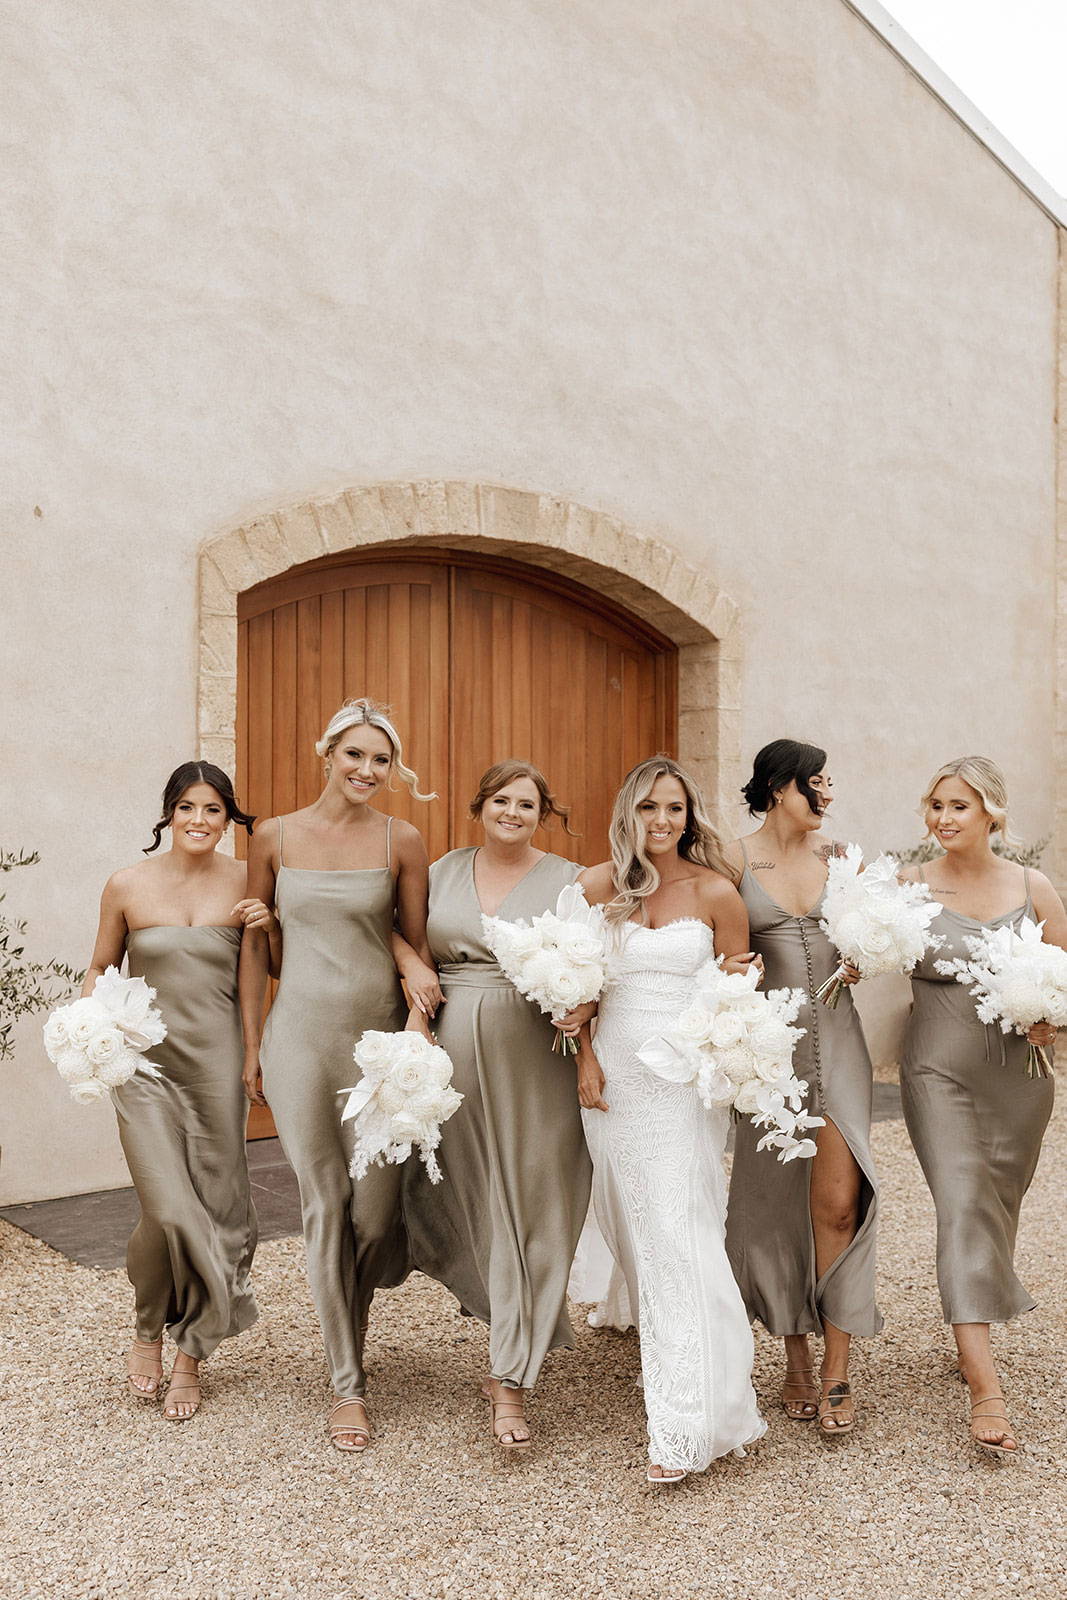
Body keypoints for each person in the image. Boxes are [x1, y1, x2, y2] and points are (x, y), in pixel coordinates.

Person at [239, 698, 440, 1452]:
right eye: (354, 755)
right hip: (298, 1042)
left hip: (379, 1044)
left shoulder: (403, 839)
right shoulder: (273, 836)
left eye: (380, 760)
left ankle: (345, 1335)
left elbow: (409, 941)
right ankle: (345, 1383)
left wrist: (415, 1020)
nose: (366, 770)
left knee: (374, 1215)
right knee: (324, 1205)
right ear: (327, 753)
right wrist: (252, 1045)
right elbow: (256, 946)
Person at [575, 756, 765, 1484]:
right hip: (612, 1082)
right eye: (649, 808)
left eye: (675, 809)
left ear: (689, 817)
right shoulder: (598, 888)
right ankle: (659, 1346)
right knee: (633, 1221)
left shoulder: (716, 892)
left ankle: (692, 1418)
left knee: (679, 1236)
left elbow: (738, 995)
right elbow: (577, 989)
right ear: (629, 812)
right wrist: (583, 1060)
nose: (662, 821)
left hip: (679, 1083)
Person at [404, 760, 592, 1449]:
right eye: (502, 800)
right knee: (474, 1201)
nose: (513, 812)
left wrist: (586, 1008)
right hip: (456, 1063)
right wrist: (412, 965)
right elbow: (398, 929)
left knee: (542, 1200)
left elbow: (597, 960)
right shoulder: (444, 869)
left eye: (527, 803)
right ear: (478, 805)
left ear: (543, 814)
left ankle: (511, 1377)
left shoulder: (568, 879)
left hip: (538, 1061)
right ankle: (507, 1339)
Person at [82, 761, 259, 1420]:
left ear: (228, 818)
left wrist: (252, 1051)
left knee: (216, 1208)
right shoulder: (126, 885)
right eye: (187, 808)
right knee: (166, 1207)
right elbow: (100, 965)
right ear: (167, 815)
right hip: (143, 1066)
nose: (199, 821)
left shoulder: (246, 883)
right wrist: (91, 1030)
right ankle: (145, 1329)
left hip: (216, 1063)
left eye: (213, 810)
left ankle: (191, 1355)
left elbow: (252, 976)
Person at [900, 756, 1062, 1458]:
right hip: (935, 1068)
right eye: (934, 805)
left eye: (957, 806)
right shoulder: (908, 887)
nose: (941, 819)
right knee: (962, 1200)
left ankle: (967, 1317)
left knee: (996, 1202)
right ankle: (982, 1382)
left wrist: (1050, 1020)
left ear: (991, 811)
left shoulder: (1034, 887)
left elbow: (1063, 975)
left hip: (1017, 1078)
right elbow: (861, 948)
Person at [724, 740, 881, 1437]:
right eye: (815, 784)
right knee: (772, 1205)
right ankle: (791, 1350)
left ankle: (836, 1367)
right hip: (768, 1053)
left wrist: (865, 958)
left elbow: (876, 941)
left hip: (840, 1047)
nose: (826, 797)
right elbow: (712, 948)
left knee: (839, 1204)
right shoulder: (734, 859)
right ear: (780, 787)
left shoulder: (839, 857)